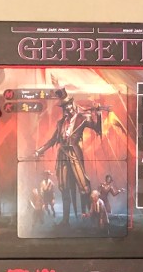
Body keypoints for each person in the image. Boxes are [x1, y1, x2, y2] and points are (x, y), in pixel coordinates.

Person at [34, 92, 102, 225]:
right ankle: (65, 220)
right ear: (64, 108)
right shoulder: (61, 123)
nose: (68, 108)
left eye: (69, 105)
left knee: (84, 187)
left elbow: (97, 128)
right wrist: (39, 151)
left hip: (74, 155)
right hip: (63, 156)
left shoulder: (82, 118)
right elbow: (53, 140)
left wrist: (98, 113)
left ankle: (91, 216)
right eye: (65, 106)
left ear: (72, 104)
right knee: (64, 188)